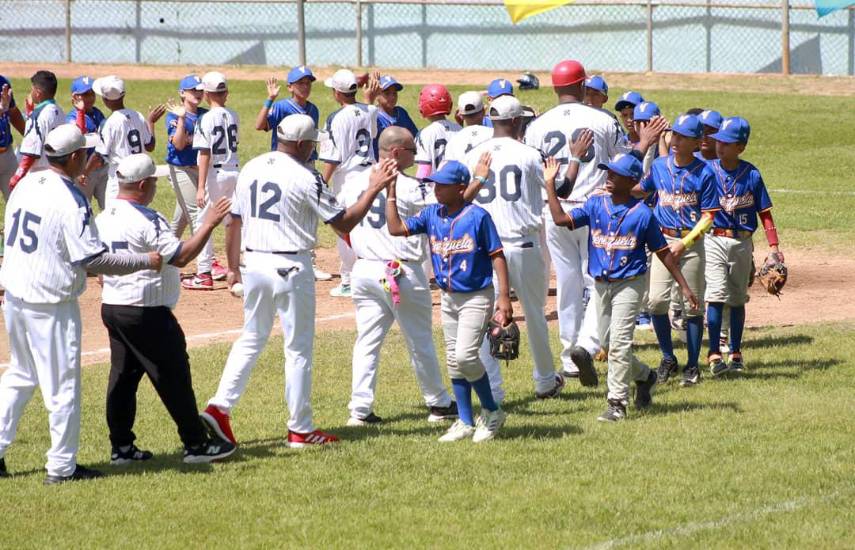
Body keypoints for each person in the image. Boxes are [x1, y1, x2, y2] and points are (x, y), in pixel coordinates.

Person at [199, 115, 395, 448]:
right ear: (302, 144)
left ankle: (219, 406)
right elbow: (344, 222)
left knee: (251, 337)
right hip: (291, 266)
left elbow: (234, 222)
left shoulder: (252, 167)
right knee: (298, 349)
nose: (315, 151)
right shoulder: (306, 176)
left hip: (255, 263)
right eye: (313, 146)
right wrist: (374, 187)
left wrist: (233, 267)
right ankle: (300, 428)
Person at [0, 124, 162, 483]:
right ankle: (61, 467)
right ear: (74, 157)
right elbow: (93, 260)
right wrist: (144, 261)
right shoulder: (71, 199)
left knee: (20, 375)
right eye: (85, 153)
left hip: (15, 296)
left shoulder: (25, 183)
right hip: (51, 305)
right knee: (62, 387)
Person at [524, 59, 664, 382]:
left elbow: (534, 172)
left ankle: (570, 357)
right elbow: (624, 159)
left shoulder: (537, 125)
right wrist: (645, 143)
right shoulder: (603, 120)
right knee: (597, 282)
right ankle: (586, 345)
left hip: (555, 209)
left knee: (567, 284)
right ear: (583, 86)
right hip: (596, 209)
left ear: (556, 88)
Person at [95, 153, 237, 464]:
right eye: (155, 182)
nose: (157, 186)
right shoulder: (147, 219)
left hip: (114, 307)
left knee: (123, 378)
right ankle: (197, 445)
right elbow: (181, 257)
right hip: (146, 312)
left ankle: (121, 448)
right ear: (144, 184)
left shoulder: (102, 217)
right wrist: (209, 223)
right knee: (174, 376)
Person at [544, 152, 698, 422]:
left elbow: (663, 253)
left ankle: (617, 403)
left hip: (630, 284)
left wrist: (683, 286)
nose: (609, 177)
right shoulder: (595, 205)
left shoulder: (643, 215)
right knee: (607, 342)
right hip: (601, 286)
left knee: (618, 345)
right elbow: (560, 220)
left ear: (632, 181)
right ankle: (646, 376)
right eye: (608, 172)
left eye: (615, 174)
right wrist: (550, 184)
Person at [385, 160, 513, 443]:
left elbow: (498, 255)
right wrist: (390, 192)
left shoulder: (478, 217)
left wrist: (504, 297)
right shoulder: (431, 214)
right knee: (454, 362)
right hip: (448, 297)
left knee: (467, 356)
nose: (436, 189)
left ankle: (492, 411)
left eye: (442, 185)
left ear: (460, 188)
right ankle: (465, 421)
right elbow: (395, 228)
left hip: (477, 296)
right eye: (435, 183)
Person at [342, 126, 458, 425]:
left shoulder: (354, 182)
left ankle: (359, 409)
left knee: (367, 341)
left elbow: (342, 222)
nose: (417, 155)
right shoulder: (411, 187)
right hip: (402, 270)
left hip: (365, 268)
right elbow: (449, 205)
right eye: (411, 150)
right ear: (395, 153)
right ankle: (439, 403)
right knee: (420, 340)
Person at [464, 95, 563, 401]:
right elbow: (558, 190)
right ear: (518, 121)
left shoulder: (473, 154)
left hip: (486, 250)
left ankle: (492, 388)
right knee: (535, 315)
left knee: (484, 319)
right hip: (525, 245)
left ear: (490, 121)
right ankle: (546, 380)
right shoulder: (531, 155)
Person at [634, 114, 720, 386]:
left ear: (695, 142)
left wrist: (685, 243)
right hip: (662, 243)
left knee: (692, 306)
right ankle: (668, 357)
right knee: (656, 302)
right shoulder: (660, 166)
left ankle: (692, 365)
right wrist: (615, 189)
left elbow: (709, 217)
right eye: (673, 134)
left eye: (682, 137)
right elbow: (642, 190)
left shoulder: (705, 172)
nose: (675, 140)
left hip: (690, 244)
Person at [705, 117, 783, 376]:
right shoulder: (708, 171)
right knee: (715, 296)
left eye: (727, 143)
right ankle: (714, 353)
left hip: (742, 242)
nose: (720, 147)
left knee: (737, 300)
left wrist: (774, 247)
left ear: (740, 147)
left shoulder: (751, 174)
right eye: (719, 141)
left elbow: (765, 213)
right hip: (713, 239)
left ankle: (735, 352)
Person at [253, 65, 332, 282]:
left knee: (309, 212)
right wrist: (269, 99)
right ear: (290, 87)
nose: (305, 87)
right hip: (283, 165)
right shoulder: (281, 107)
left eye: (308, 83)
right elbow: (260, 125)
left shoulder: (313, 109)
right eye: (300, 83)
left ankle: (310, 261)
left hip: (307, 165)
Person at [319, 68, 380, 298]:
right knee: (369, 227)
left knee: (344, 230)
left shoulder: (335, 118)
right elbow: (372, 135)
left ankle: (348, 280)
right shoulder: (371, 110)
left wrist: (322, 182)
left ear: (337, 93)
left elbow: (332, 157)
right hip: (371, 174)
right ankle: (371, 275)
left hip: (347, 180)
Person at [182, 71, 240, 291]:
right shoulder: (233, 115)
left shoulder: (205, 118)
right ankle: (237, 268)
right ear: (225, 93)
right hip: (234, 171)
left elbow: (204, 153)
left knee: (204, 222)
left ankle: (204, 273)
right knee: (233, 222)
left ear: (206, 94)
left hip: (215, 176)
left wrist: (200, 187)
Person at [81, 75, 164, 205]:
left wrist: (85, 173)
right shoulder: (137, 115)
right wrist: (151, 123)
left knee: (114, 216)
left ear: (105, 99)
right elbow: (150, 146)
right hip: (140, 176)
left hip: (120, 180)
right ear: (123, 95)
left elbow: (98, 156)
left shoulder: (109, 123)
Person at [8, 70, 64, 192]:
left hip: (38, 174)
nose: (30, 92)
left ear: (38, 93)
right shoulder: (59, 111)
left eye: (32, 89)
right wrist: (30, 113)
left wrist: (18, 176)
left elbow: (31, 153)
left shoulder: (38, 116)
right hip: (56, 171)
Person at [66, 76, 108, 209]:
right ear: (75, 97)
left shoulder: (97, 113)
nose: (90, 98)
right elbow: (78, 138)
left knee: (110, 207)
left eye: (92, 94)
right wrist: (80, 112)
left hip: (102, 167)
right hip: (83, 171)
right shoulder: (72, 118)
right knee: (82, 210)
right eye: (85, 95)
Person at [414, 84, 461, 181]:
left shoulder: (425, 133)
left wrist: (419, 188)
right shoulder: (460, 130)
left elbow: (424, 169)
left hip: (436, 190)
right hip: (458, 189)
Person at [372, 74, 419, 159]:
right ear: (377, 96)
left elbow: (415, 137)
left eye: (394, 93)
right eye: (387, 93)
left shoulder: (401, 113)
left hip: (399, 163)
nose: (392, 97)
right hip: (379, 164)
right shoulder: (374, 115)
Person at [444, 91, 493, 163]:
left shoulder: (454, 141)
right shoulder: (494, 135)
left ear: (461, 115)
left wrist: (460, 125)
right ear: (484, 111)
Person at [0, 74, 26, 199]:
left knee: (17, 201)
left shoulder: (2, 82)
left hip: (7, 154)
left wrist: (28, 135)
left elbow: (13, 112)